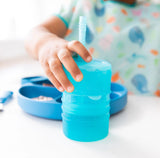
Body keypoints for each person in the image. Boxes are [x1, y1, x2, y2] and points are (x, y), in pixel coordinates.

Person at [25, 0, 160, 96]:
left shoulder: (156, 12)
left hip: (146, 118)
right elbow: (34, 35)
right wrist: (47, 45)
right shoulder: (80, 5)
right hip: (80, 109)